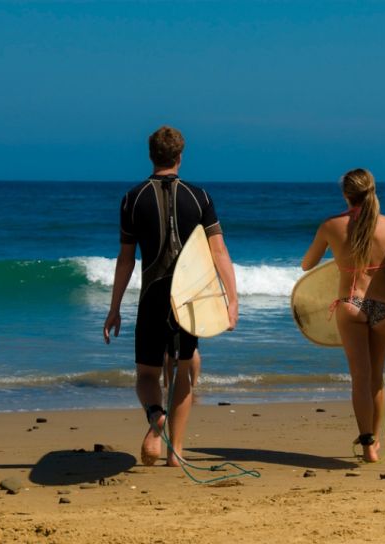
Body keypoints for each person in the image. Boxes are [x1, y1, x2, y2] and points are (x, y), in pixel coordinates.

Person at [103, 125, 238, 467]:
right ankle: (176, 452)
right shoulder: (200, 197)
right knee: (184, 372)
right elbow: (218, 251)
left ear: (151, 156)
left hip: (152, 296)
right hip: (189, 299)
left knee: (147, 375)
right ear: (180, 156)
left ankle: (155, 413)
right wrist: (230, 300)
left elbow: (125, 259)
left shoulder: (132, 199)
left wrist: (114, 308)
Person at [301, 168, 385, 462]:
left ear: (345, 194)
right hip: (384, 307)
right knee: (376, 378)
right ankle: (374, 443)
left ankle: (367, 443)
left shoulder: (331, 226)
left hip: (350, 304)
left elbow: (307, 265)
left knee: (360, 377)